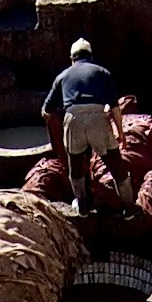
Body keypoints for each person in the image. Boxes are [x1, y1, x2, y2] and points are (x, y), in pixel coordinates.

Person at [47, 41, 122, 209]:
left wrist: (57, 132)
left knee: (75, 167)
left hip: (73, 121)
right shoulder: (103, 72)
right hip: (98, 119)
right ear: (91, 57)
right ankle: (129, 208)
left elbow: (46, 111)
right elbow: (115, 108)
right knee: (116, 165)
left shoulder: (62, 76)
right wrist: (121, 133)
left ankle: (82, 206)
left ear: (72, 59)